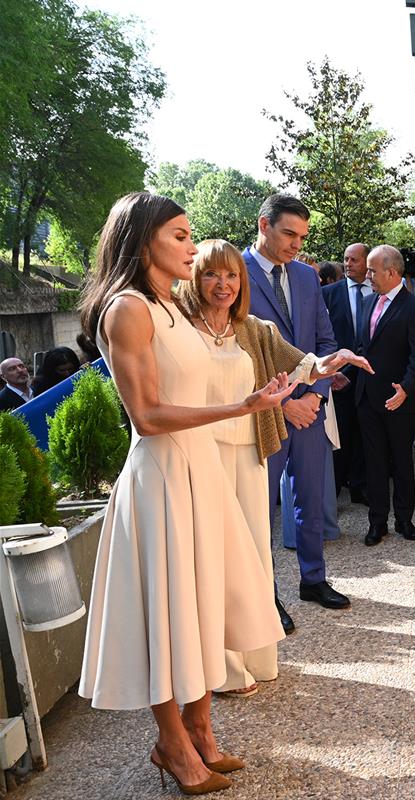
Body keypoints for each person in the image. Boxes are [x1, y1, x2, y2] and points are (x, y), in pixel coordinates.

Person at [77, 192, 292, 794]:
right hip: (164, 476)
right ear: (142, 241)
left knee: (200, 606)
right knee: (170, 614)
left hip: (198, 471)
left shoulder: (172, 306)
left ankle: (201, 735)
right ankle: (173, 745)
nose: (191, 245)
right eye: (178, 234)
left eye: (189, 233)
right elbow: (146, 415)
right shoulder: (128, 310)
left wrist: (264, 393)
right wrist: (241, 407)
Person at [178, 239, 371, 697]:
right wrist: (279, 407)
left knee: (250, 554)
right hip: (205, 455)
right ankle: (216, 667)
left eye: (231, 277)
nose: (223, 285)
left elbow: (304, 363)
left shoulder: (254, 329)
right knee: (214, 560)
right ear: (195, 279)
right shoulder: (181, 331)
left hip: (249, 453)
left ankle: (253, 656)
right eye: (211, 275)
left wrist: (333, 363)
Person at [243, 194, 346, 612]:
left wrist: (314, 398)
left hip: (310, 411)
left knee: (311, 499)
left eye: (302, 236)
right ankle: (265, 599)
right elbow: (235, 354)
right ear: (263, 226)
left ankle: (313, 580)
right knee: (260, 509)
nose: (296, 245)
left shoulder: (306, 278)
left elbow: (325, 342)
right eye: (289, 233)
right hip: (264, 415)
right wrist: (282, 405)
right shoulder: (233, 275)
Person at [356, 245, 415, 546]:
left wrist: (407, 388)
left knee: (401, 463)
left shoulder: (414, 308)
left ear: (392, 272)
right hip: (367, 398)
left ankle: (404, 520)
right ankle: (377, 522)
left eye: (373, 270)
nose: (367, 275)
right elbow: (363, 346)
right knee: (373, 463)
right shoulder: (367, 302)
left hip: (398, 399)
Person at [322, 242, 373, 504]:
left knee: (365, 433)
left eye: (354, 260)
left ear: (367, 263)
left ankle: (360, 487)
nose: (348, 264)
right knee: (340, 432)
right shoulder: (328, 293)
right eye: (345, 259)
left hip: (368, 375)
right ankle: (334, 488)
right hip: (338, 376)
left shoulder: (378, 292)